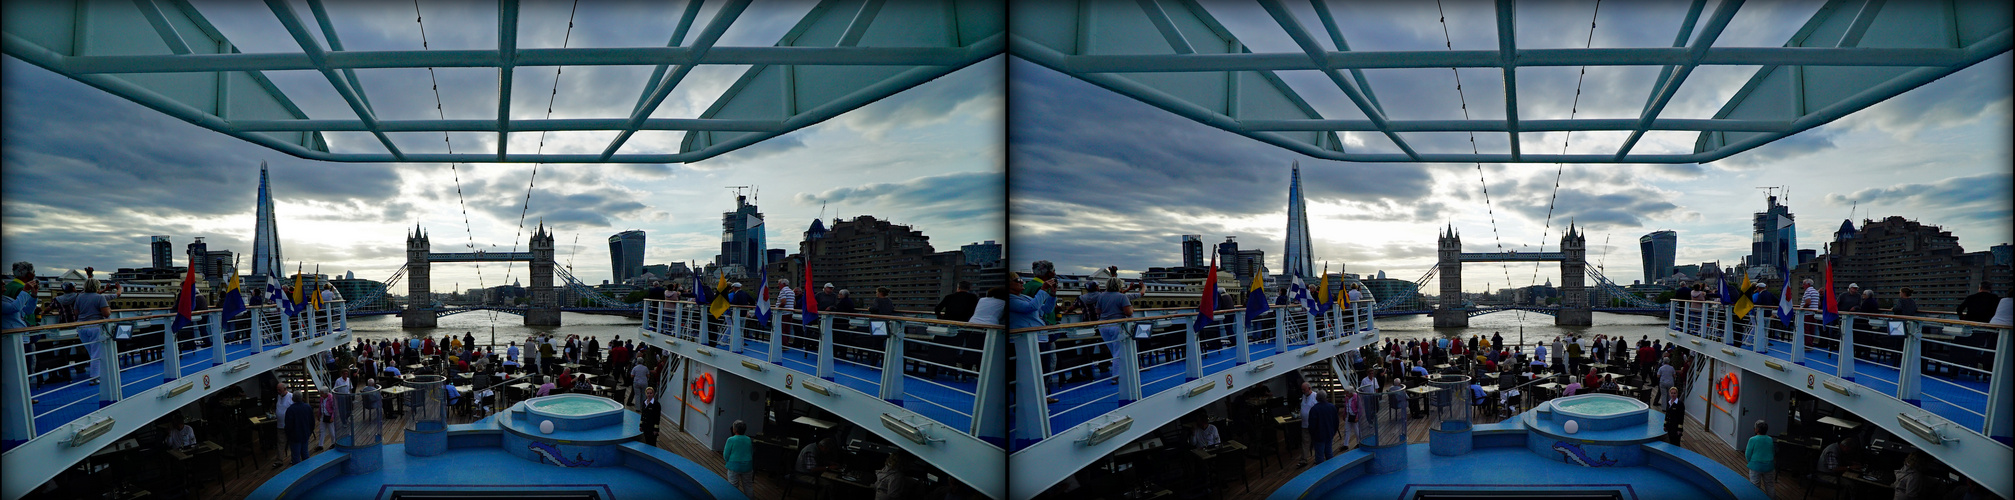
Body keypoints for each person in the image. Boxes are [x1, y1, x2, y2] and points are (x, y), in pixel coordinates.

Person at [73, 279, 112, 384]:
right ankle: (94, 377)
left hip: (81, 327)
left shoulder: (79, 297)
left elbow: (76, 312)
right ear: (97, 287)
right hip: (95, 327)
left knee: (91, 352)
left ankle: (98, 373)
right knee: (96, 352)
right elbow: (106, 314)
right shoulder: (99, 297)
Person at [722, 420, 754, 494]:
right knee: (748, 486)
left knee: (733, 487)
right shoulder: (748, 439)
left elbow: (726, 454)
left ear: (734, 430)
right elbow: (751, 452)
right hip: (747, 466)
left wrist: (728, 462)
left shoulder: (731, 440)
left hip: (734, 466)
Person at [284, 390, 316, 464]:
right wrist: (309, 431)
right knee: (305, 454)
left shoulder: (290, 410)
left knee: (296, 457)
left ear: (293, 399)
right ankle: (307, 471)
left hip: (295, 437)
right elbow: (312, 421)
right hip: (305, 434)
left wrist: (288, 435)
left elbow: (288, 425)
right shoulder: (307, 407)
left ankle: (297, 473)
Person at [3, 262, 37, 330]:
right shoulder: (23, 288)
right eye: (33, 272)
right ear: (29, 274)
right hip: (20, 328)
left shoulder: (8, 286)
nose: (34, 274)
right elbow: (25, 311)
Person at [1307, 392, 1340, 463]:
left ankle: (1321, 472)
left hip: (1318, 436)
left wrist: (1312, 434)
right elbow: (1336, 421)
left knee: (1319, 455)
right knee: (1329, 453)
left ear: (1317, 398)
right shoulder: (1332, 407)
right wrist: (1333, 432)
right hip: (1329, 433)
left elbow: (1312, 424)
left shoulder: (1314, 409)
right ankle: (1331, 470)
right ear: (1326, 397)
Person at [1297, 381, 1323, 467]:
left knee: (1316, 442)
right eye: (1302, 390)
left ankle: (1318, 458)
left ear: (1309, 388)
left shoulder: (1315, 396)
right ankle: (1304, 459)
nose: (1303, 391)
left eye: (1304, 389)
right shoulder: (1304, 396)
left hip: (1313, 425)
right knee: (1305, 442)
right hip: (1304, 424)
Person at [1746, 420, 1775, 494]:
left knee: (1755, 486)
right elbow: (1772, 452)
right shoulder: (1770, 439)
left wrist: (1751, 462)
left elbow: (1748, 454)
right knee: (1770, 486)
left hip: (1755, 466)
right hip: (1769, 466)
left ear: (1756, 430)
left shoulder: (1752, 439)